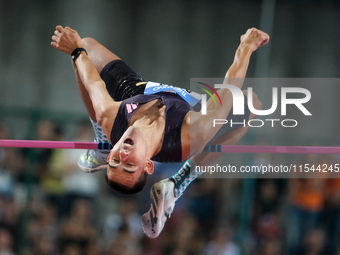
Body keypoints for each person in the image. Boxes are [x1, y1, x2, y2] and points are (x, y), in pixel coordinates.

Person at [51, 26, 269, 196]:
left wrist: (76, 49)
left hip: (136, 93)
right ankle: (184, 178)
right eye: (129, 164)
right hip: (189, 108)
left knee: (86, 47)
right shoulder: (191, 134)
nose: (122, 155)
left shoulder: (111, 118)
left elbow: (93, 83)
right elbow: (229, 89)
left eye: (115, 160)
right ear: (148, 164)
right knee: (252, 103)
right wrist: (247, 45)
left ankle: (103, 145)